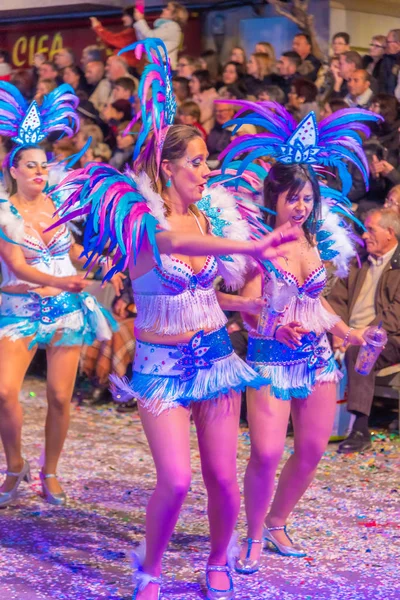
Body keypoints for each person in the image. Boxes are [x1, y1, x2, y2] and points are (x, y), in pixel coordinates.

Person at [51, 38, 299, 600]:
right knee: (177, 480)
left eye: (208, 161)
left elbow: (212, 288)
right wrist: (257, 253)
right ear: (167, 169)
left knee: (221, 481)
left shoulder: (213, 215)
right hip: (161, 365)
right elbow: (173, 240)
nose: (206, 170)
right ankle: (151, 567)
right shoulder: (142, 219)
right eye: (196, 163)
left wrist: (254, 306)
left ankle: (217, 562)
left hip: (214, 355)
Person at [210, 100, 380, 572]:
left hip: (319, 360)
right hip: (269, 358)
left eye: (307, 198)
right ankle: (254, 534)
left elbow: (317, 303)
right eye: (293, 198)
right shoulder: (260, 244)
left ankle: (279, 521)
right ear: (274, 198)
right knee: (265, 452)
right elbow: (246, 307)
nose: (301, 206)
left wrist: (349, 331)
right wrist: (274, 324)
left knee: (309, 451)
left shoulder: (313, 240)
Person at [0, 82, 119, 509]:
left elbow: (71, 250)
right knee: (4, 392)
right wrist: (62, 282)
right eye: (29, 166)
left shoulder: (58, 205)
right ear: (12, 170)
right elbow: (16, 265)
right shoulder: (3, 211)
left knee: (59, 396)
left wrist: (101, 263)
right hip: (19, 309)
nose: (38, 172)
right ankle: (15, 465)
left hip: (66, 313)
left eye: (43, 165)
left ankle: (50, 471)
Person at [328, 208, 400, 453]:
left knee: (362, 351)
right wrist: (340, 331)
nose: (364, 235)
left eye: (370, 229)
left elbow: (396, 313)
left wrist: (361, 334)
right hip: (349, 333)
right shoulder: (358, 260)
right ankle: (303, 419)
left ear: (390, 233)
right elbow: (337, 300)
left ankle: (359, 428)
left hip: (389, 337)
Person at [133, 1, 188, 70]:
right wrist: (139, 21)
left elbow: (150, 37)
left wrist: (140, 20)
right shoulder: (164, 27)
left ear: (174, 15)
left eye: (167, 9)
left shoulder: (172, 27)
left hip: (164, 67)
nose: (163, 9)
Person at [188, 70, 219, 134]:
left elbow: (200, 118)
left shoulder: (213, 98)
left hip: (205, 136)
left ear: (203, 82)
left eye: (193, 81)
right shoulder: (194, 98)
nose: (189, 84)